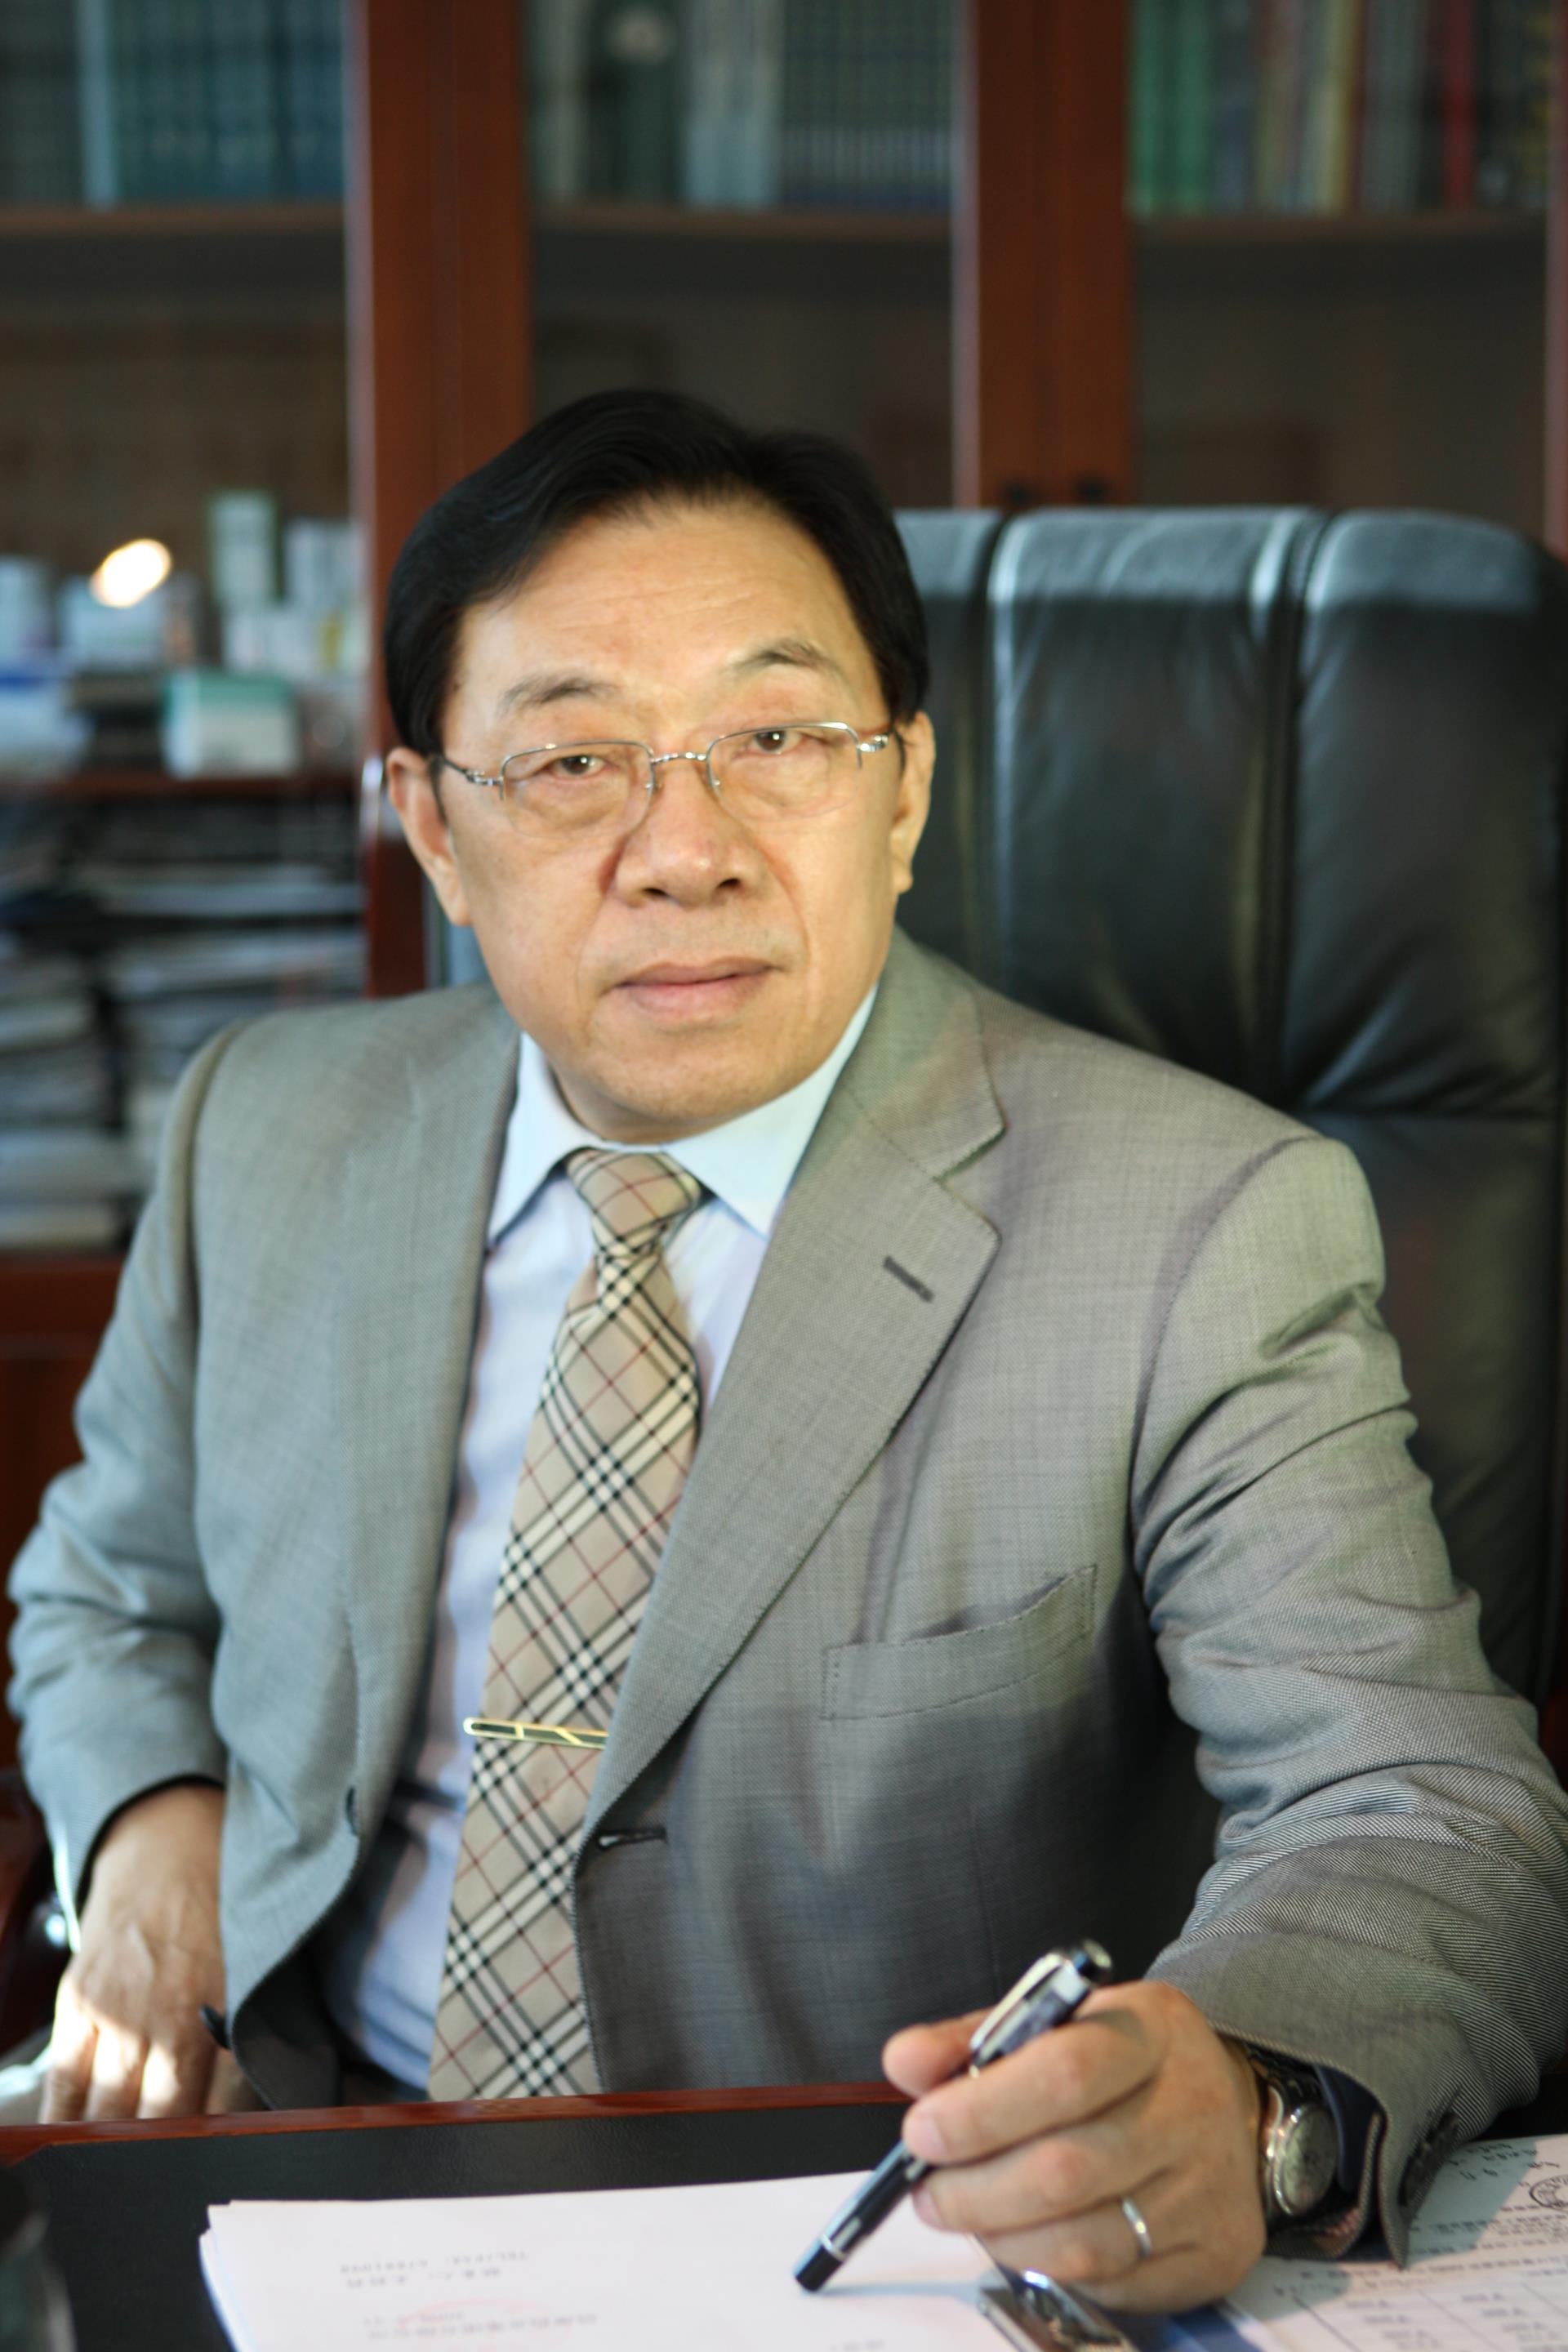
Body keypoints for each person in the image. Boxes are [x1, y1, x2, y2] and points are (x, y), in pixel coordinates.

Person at [9, 390, 1568, 2319]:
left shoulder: (1199, 1224)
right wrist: (152, 1832)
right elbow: (108, 1588)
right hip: (294, 2163)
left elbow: (1417, 1802)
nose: (689, 852)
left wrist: (1243, 2100)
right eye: (573, 761)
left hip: (868, 2241)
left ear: (901, 794)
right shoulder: (266, 1124)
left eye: (778, 740)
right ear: (434, 828)